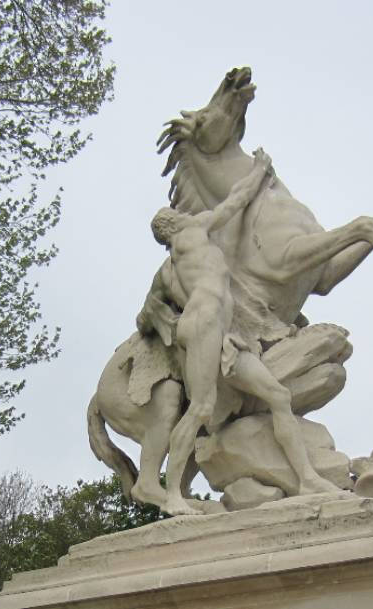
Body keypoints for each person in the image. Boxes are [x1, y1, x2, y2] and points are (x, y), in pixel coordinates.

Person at [151, 148, 341, 516]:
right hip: (205, 324)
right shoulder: (192, 232)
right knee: (200, 409)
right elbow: (233, 204)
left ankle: (307, 478)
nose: (185, 214)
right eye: (178, 214)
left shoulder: (176, 264)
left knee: (278, 395)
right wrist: (259, 171)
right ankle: (172, 493)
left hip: (227, 335)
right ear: (172, 225)